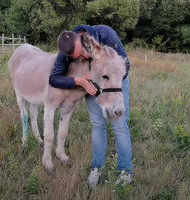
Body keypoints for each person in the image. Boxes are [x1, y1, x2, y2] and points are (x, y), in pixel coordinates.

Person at [49, 25, 132, 188]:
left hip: (114, 81)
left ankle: (125, 170)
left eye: (81, 54)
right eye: (76, 58)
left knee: (119, 125)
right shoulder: (68, 47)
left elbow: (125, 65)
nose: (80, 59)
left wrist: (110, 88)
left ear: (84, 41)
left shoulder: (106, 35)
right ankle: (97, 167)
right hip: (90, 83)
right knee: (97, 124)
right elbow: (54, 78)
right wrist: (78, 81)